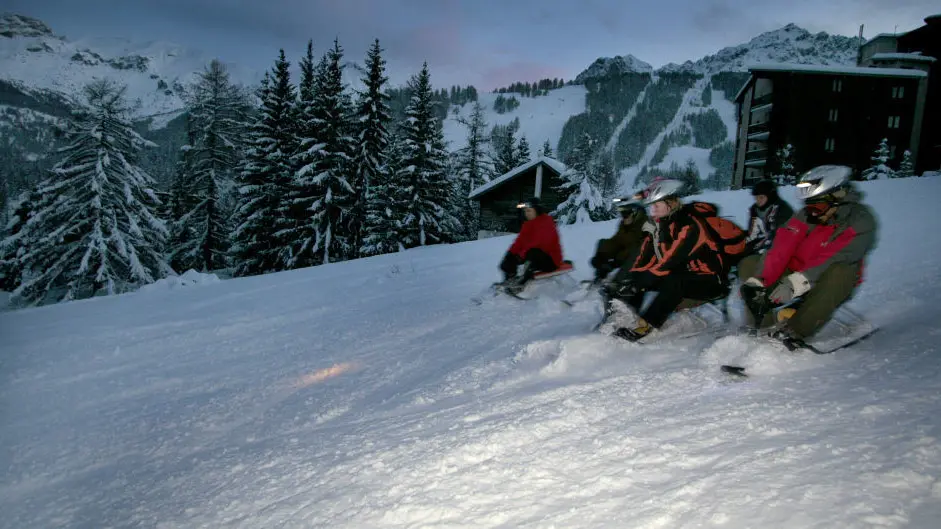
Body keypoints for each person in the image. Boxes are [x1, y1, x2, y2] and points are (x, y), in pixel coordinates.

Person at [738, 165, 878, 349]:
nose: (810, 212)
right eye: (808, 205)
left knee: (840, 271)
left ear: (838, 198)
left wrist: (798, 282)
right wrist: (759, 280)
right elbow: (781, 248)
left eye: (817, 206)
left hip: (830, 279)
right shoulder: (806, 216)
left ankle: (795, 332)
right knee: (751, 263)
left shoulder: (861, 221)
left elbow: (834, 256)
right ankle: (762, 327)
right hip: (796, 272)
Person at [603, 179, 734, 342]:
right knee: (637, 277)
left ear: (670, 204)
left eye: (656, 206)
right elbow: (645, 255)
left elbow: (672, 258)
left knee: (673, 280)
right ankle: (627, 317)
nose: (652, 211)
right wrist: (630, 278)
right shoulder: (661, 225)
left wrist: (645, 279)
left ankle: (646, 326)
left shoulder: (689, 224)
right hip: (684, 276)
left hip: (711, 280)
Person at [499, 197, 565, 292]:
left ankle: (521, 284)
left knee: (533, 252)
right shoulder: (528, 224)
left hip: (550, 261)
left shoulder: (546, 222)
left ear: (537, 210)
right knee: (511, 256)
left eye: (529, 211)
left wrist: (520, 255)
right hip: (533, 257)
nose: (527, 213)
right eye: (525, 211)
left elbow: (540, 244)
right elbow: (519, 242)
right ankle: (510, 280)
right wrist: (510, 254)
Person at [589, 197, 649, 285]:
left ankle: (618, 283)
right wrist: (601, 255)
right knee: (603, 243)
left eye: (625, 214)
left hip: (639, 261)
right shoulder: (624, 224)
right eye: (621, 213)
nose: (623, 217)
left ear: (635, 212)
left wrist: (614, 263)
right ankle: (601, 274)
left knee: (635, 252)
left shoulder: (645, 225)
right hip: (625, 254)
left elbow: (637, 248)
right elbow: (616, 240)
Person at [743, 178, 794, 257]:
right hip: (762, 244)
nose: (758, 201)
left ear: (771, 196)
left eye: (761, 197)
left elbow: (780, 236)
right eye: (756, 198)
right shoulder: (755, 210)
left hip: (778, 250)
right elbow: (753, 233)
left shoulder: (783, 210)